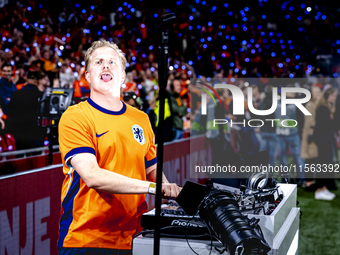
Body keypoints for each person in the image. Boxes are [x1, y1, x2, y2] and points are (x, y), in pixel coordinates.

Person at [57, 40, 181, 254]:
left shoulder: (141, 119)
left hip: (135, 237)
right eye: (98, 62)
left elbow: (151, 169)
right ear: (87, 75)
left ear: (123, 76)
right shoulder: (75, 117)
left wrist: (169, 189)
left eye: (112, 62)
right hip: (87, 239)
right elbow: (93, 176)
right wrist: (154, 188)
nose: (106, 66)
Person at [6, 71, 47, 150]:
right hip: (36, 136)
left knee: (21, 161)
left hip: (19, 137)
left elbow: (10, 115)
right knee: (37, 161)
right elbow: (45, 117)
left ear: (27, 79)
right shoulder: (42, 96)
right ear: (38, 80)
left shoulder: (15, 95)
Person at [313, 87, 338, 200]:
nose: (335, 98)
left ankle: (323, 188)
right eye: (333, 95)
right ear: (327, 96)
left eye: (335, 96)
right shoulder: (323, 109)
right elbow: (329, 125)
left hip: (326, 140)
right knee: (323, 165)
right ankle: (319, 190)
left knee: (326, 165)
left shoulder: (327, 108)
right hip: (323, 141)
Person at [300, 84, 321, 190]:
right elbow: (310, 122)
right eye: (316, 92)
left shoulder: (317, 104)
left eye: (319, 92)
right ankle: (309, 183)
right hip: (310, 134)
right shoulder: (310, 105)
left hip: (313, 133)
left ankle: (311, 182)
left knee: (314, 160)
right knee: (310, 160)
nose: (318, 94)